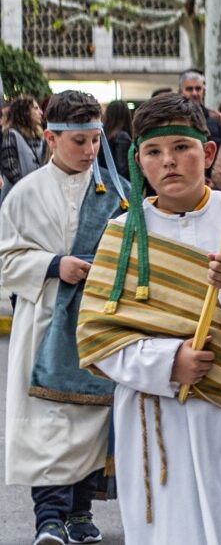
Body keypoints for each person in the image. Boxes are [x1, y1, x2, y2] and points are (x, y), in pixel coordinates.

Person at [76, 94, 221, 544]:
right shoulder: (122, 236)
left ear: (207, 153)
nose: (169, 161)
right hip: (158, 417)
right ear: (138, 162)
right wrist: (168, 363)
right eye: (154, 151)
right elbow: (96, 337)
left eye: (181, 147)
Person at [0, 90, 128, 545]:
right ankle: (48, 519)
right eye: (80, 141)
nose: (91, 150)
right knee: (48, 427)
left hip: (94, 324)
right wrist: (54, 266)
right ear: (52, 139)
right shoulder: (24, 194)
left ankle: (79, 512)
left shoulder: (115, 192)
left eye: (95, 139)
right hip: (43, 325)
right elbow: (4, 259)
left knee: (89, 425)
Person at [0, 96, 44, 206]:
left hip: (38, 199)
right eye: (35, 108)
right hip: (16, 200)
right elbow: (11, 169)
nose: (41, 112)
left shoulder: (41, 138)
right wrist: (28, 191)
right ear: (24, 112)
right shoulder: (11, 135)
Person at [178, 69, 221, 151]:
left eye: (198, 89)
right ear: (180, 92)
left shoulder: (215, 118)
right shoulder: (174, 119)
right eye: (189, 89)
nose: (194, 93)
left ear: (204, 91)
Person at [100, 100, 133, 180]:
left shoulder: (102, 136)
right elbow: (122, 169)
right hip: (118, 184)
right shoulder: (122, 136)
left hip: (104, 180)